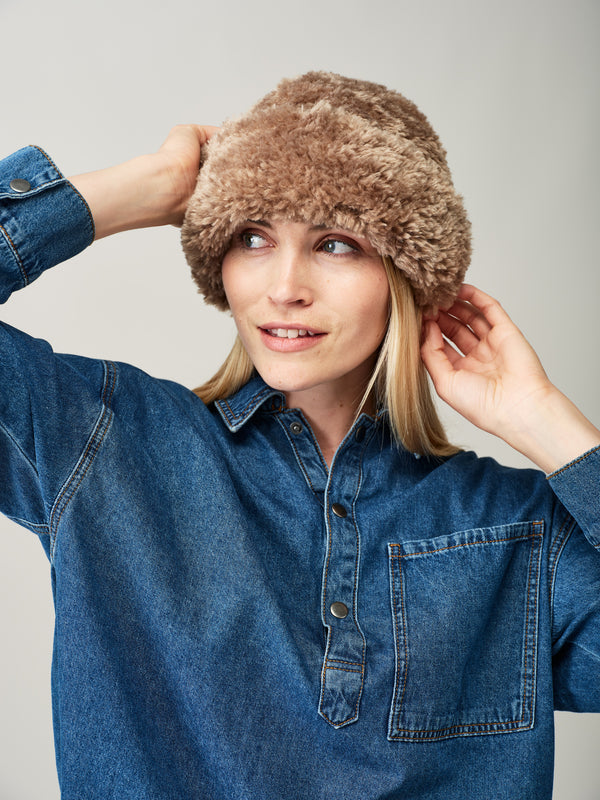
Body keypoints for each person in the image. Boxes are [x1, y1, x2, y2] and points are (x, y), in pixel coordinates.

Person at [0, 71, 598, 800]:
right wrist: (142, 187)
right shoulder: (105, 444)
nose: (284, 286)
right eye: (252, 237)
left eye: (336, 243)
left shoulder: (513, 528)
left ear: (406, 275)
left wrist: (543, 420)